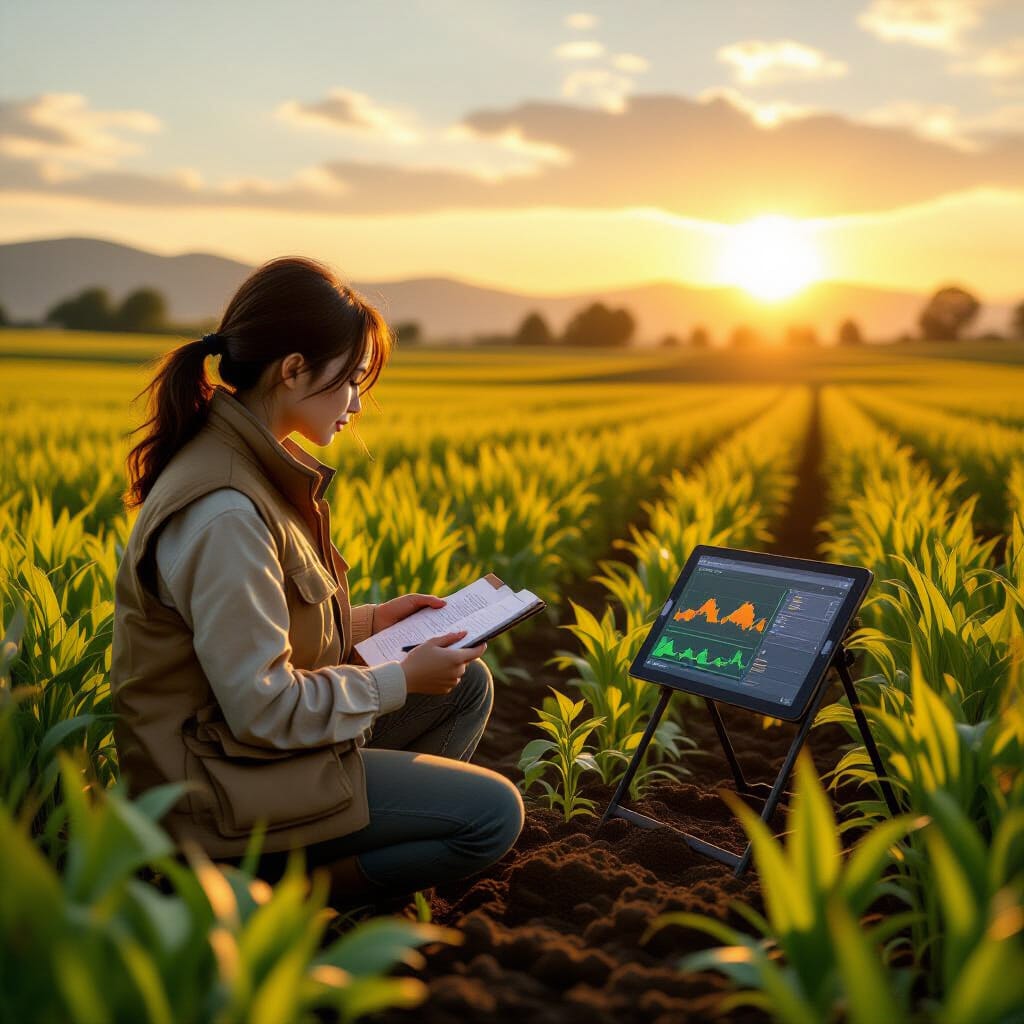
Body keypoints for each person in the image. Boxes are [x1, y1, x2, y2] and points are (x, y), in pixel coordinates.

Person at [110, 255, 524, 907]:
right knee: (493, 816)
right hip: (219, 790)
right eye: (353, 380)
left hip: (245, 756)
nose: (358, 403)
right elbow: (262, 706)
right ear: (294, 369)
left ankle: (357, 853)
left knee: (464, 684)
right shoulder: (226, 511)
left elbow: (244, 629)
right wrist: (399, 679)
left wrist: (369, 621)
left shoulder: (242, 466)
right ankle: (287, 901)